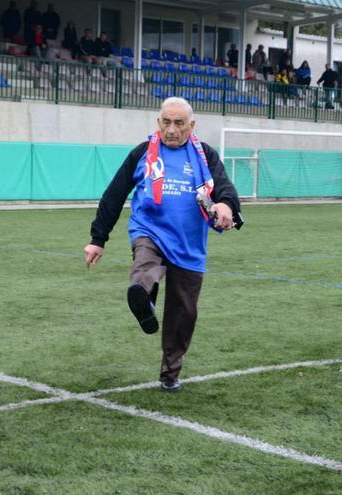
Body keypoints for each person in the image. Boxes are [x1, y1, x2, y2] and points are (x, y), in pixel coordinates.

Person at [84, 97, 243, 392]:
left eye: (179, 123)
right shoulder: (143, 153)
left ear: (191, 125)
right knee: (145, 265)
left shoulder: (204, 155)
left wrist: (226, 207)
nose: (171, 129)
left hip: (189, 243)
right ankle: (143, 297)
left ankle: (170, 373)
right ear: (158, 123)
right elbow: (114, 194)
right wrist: (98, 239)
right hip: (150, 230)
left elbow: (224, 188)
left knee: (183, 314)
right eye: (166, 122)